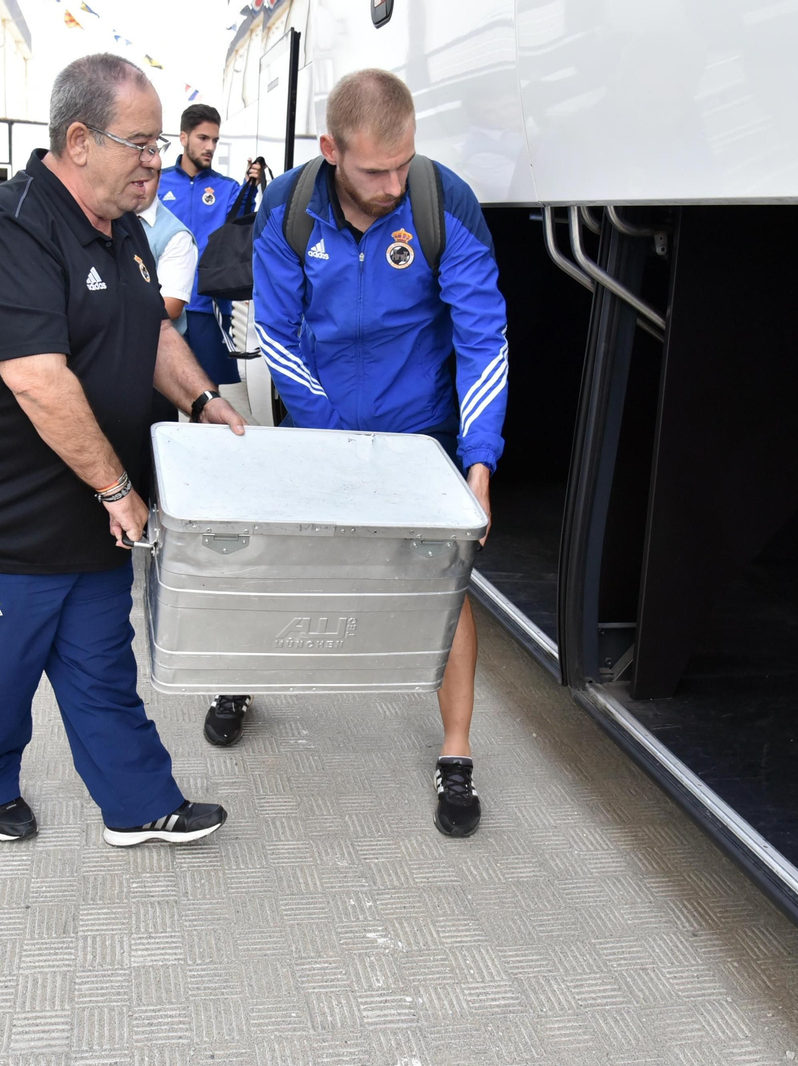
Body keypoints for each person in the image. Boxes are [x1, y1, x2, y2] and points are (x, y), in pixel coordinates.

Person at [0, 54, 246, 847]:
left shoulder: (125, 227)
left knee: (103, 674)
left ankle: (138, 803)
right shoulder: (9, 225)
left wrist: (201, 398)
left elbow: (150, 329)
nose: (158, 161)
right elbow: (38, 381)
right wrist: (118, 491)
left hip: (92, 517)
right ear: (80, 139)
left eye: (161, 143)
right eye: (144, 143)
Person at [248, 69, 509, 838]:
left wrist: (479, 466)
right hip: (321, 429)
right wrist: (330, 437)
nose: (394, 185)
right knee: (280, 563)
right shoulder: (289, 208)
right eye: (373, 170)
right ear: (330, 150)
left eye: (404, 164)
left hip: (416, 435)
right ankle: (237, 677)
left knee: (447, 581)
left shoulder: (439, 202)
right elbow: (276, 333)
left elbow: (482, 339)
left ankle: (456, 751)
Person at [155, 104, 241, 387]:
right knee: (160, 392)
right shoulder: (157, 181)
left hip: (209, 305)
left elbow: (237, 235)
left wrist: (250, 190)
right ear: (183, 137)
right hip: (162, 303)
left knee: (208, 396)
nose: (210, 147)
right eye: (203, 138)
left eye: (215, 140)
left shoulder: (229, 188)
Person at [134, 167, 196, 335]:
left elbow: (171, 307)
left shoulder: (176, 235)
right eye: (133, 180)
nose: (139, 188)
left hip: (156, 350)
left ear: (159, 179)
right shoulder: (109, 219)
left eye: (145, 181)